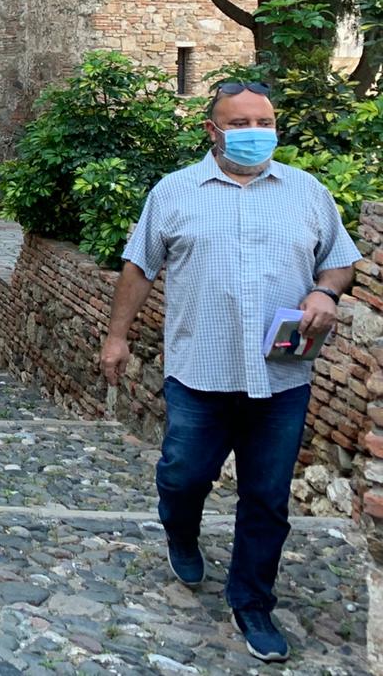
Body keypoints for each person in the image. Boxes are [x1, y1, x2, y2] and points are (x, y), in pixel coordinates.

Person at [99, 79, 357, 664]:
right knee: (184, 474)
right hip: (199, 371)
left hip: (282, 375)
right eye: (238, 124)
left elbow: (339, 262)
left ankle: (253, 603)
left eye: (262, 122)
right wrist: (116, 337)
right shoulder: (174, 192)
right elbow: (139, 267)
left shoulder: (307, 192)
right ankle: (181, 531)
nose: (253, 133)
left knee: (266, 497)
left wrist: (325, 292)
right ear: (212, 131)